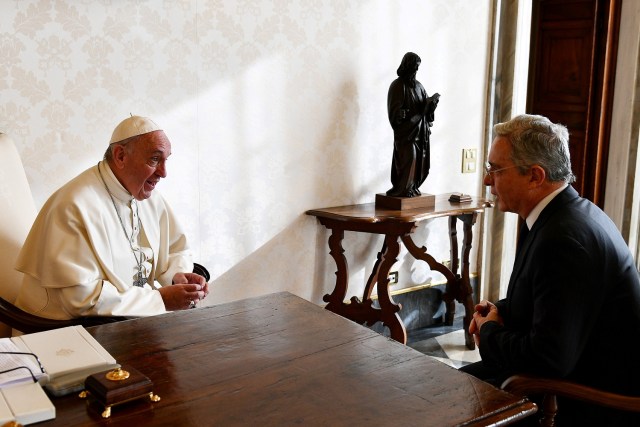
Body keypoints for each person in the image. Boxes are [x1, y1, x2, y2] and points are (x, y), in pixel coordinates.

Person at [461, 114, 640, 426]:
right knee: (441, 387)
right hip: (568, 372)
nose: (487, 181)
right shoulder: (561, 215)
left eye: (495, 170)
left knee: (446, 404)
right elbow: (550, 304)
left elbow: (549, 359)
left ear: (535, 176)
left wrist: (489, 332)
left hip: (584, 398)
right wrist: (499, 311)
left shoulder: (564, 238)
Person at [14, 116, 208, 320]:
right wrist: (159, 300)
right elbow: (80, 298)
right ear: (121, 156)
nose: (163, 173)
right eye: (154, 159)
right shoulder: (73, 205)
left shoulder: (148, 196)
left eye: (166, 160)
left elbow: (175, 249)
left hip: (128, 323)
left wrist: (177, 277)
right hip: (59, 330)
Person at [386, 52, 440, 197]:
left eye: (417, 68)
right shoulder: (397, 86)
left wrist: (431, 107)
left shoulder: (419, 86)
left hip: (421, 132)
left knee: (421, 163)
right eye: (414, 68)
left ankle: (413, 187)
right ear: (407, 66)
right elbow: (394, 113)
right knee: (410, 158)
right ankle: (403, 188)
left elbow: (426, 110)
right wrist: (400, 115)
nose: (415, 71)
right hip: (406, 134)